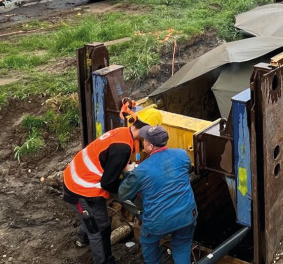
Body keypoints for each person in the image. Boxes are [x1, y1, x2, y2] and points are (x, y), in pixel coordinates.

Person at [62, 109, 160, 264]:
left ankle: (84, 237)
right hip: (81, 188)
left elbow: (109, 159)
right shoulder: (123, 148)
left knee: (93, 217)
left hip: (76, 175)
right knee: (101, 229)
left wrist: (125, 168)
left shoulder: (122, 132)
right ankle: (105, 260)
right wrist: (125, 192)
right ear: (146, 130)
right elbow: (108, 183)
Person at [119, 125, 197, 264]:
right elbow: (187, 169)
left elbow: (123, 193)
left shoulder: (141, 170)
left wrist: (127, 172)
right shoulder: (182, 154)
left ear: (150, 146)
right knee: (182, 246)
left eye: (144, 141)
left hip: (158, 221)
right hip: (186, 215)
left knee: (148, 242)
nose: (142, 142)